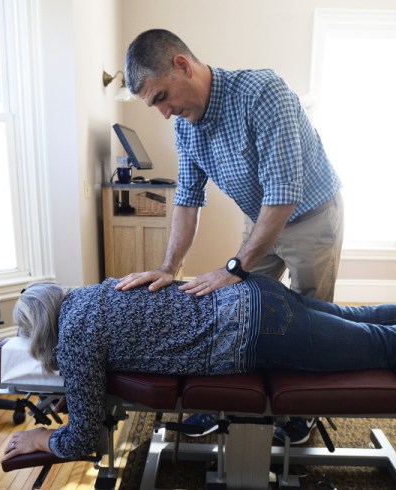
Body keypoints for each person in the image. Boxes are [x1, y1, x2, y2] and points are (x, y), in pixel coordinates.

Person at [1, 277, 396, 462]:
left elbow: (80, 442)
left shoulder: (73, 338)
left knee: (380, 345)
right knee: (368, 318)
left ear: (44, 332)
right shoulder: (100, 289)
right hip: (256, 295)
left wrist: (41, 441)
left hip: (261, 332)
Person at [116, 27, 344, 443]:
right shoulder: (185, 126)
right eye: (155, 106)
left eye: (162, 97)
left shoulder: (262, 93)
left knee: (313, 317)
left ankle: (303, 411)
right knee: (237, 308)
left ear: (182, 65)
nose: (163, 113)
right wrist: (169, 267)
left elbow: (283, 195)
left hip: (310, 215)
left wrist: (235, 266)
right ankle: (230, 401)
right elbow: (187, 199)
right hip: (261, 216)